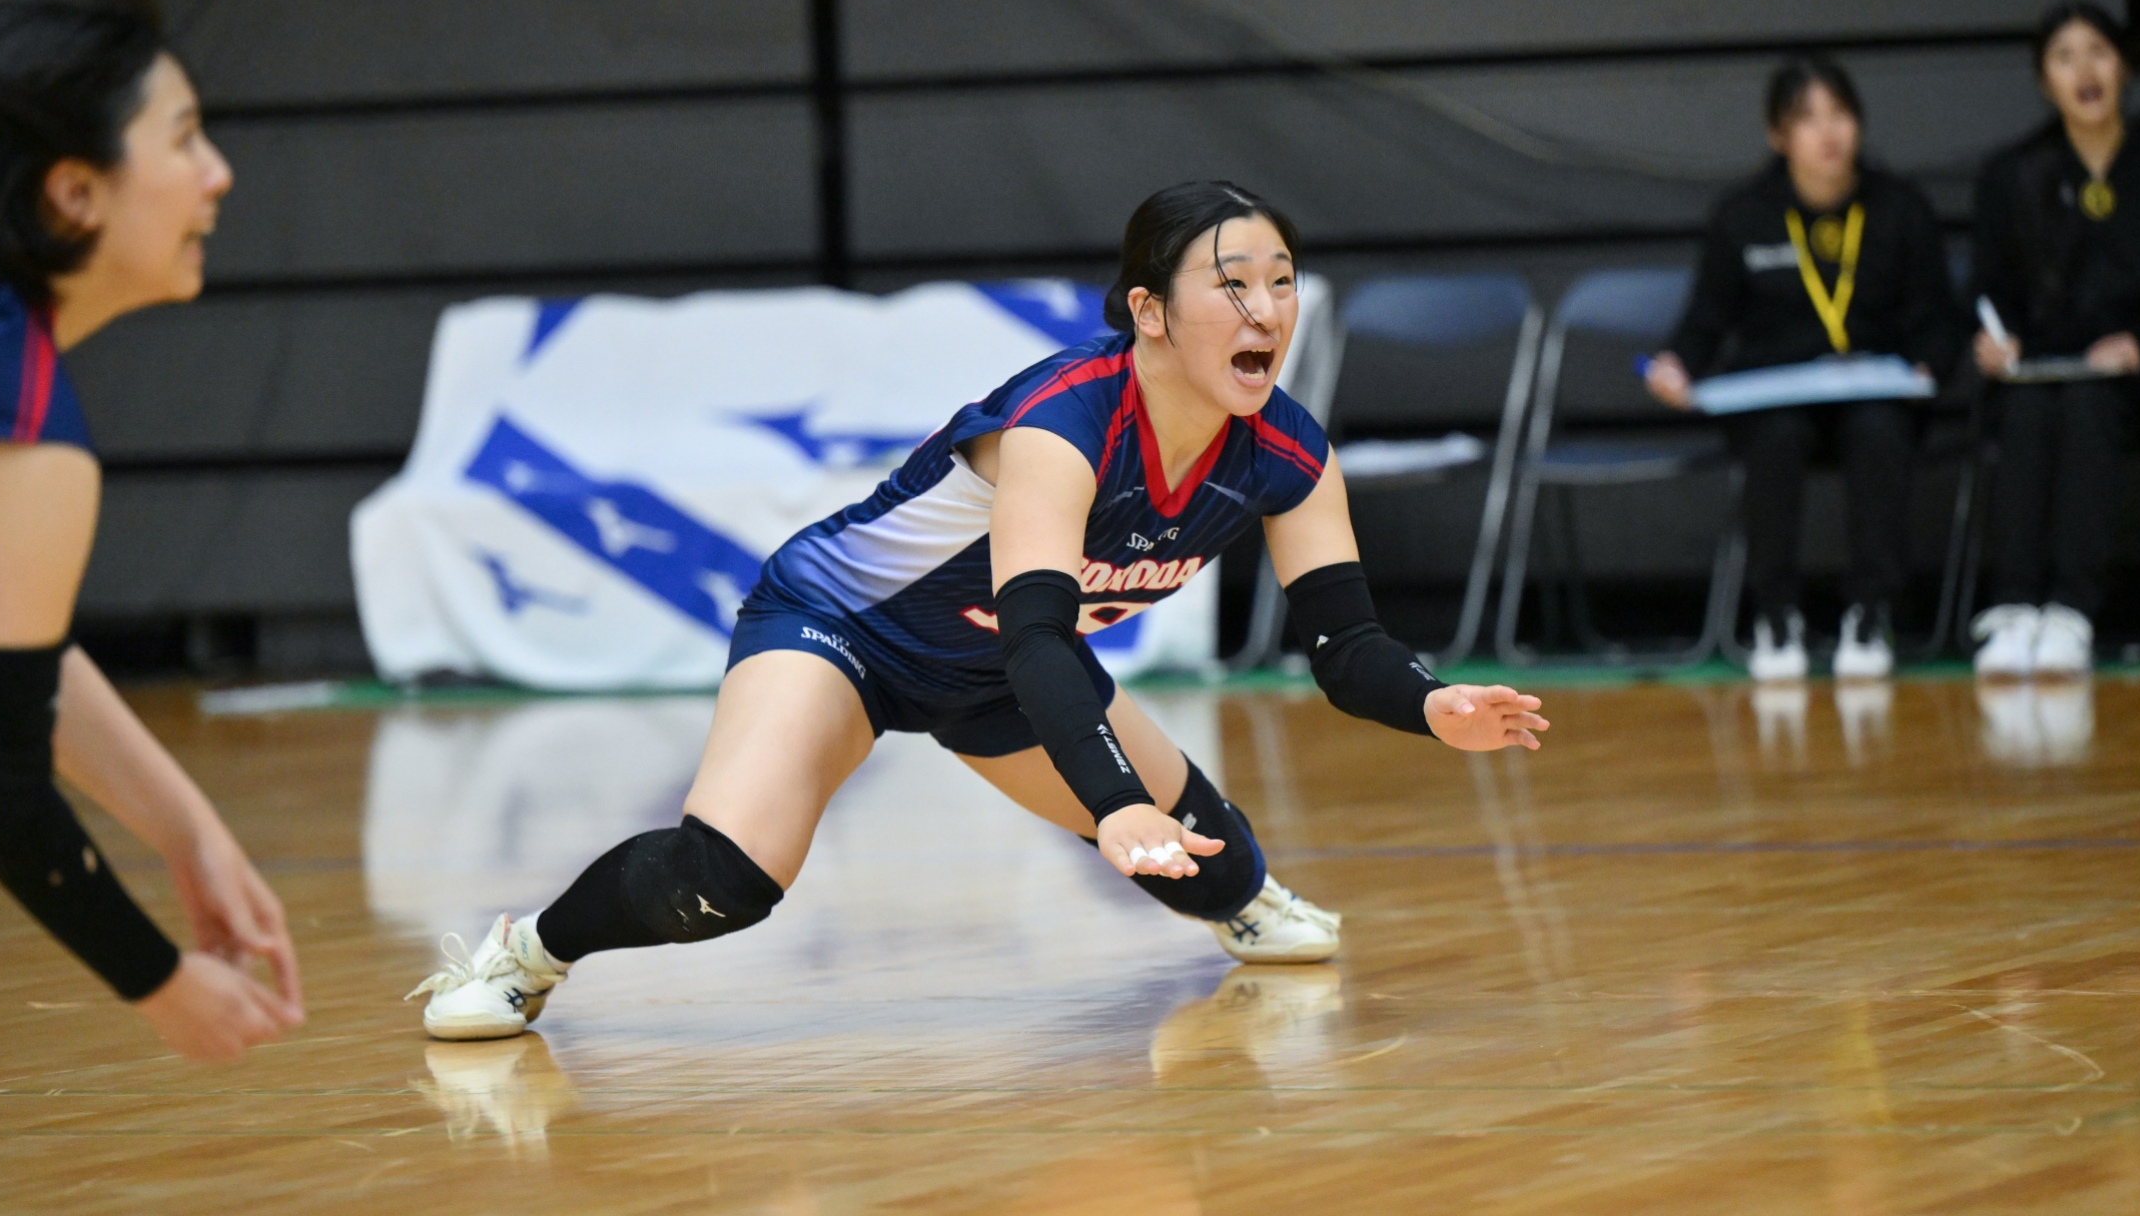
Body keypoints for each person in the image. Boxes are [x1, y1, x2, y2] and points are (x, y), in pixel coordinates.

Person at [409, 181, 1548, 1041]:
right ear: (1150, 310)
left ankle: (1245, 901)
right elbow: (1040, 634)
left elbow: (1345, 646)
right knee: (725, 880)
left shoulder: (1289, 452)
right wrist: (1113, 804)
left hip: (997, 672)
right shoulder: (1064, 419)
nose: (1268, 310)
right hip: (845, 628)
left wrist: (1430, 700)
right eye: (1232, 284)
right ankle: (524, 955)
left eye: (1283, 281)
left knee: (1212, 865)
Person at [0, 0, 303, 1059]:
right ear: (74, 193)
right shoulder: (15, 421)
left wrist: (186, 830)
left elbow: (7, 659)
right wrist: (157, 981)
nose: (219, 175)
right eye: (185, 138)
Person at [1644, 55, 1961, 681]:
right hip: (1775, 396)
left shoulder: (1899, 208)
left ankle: (1870, 611)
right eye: (1807, 118)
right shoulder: (1744, 215)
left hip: (1873, 390)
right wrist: (1676, 364)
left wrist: (1933, 363)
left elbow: (1936, 316)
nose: (1828, 132)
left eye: (1839, 113)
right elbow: (1707, 317)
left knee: (1879, 431)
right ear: (1778, 135)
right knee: (1776, 437)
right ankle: (1776, 614)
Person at [1969, 0, 2140, 675]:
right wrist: (1995, 342)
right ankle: (2014, 607)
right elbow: (1990, 293)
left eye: (2098, 52)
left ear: (2124, 68)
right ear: (2043, 81)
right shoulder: (2012, 173)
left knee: (2088, 404)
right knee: (2027, 407)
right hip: (2043, 372)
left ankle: (2071, 610)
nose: (2084, 70)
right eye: (2064, 57)